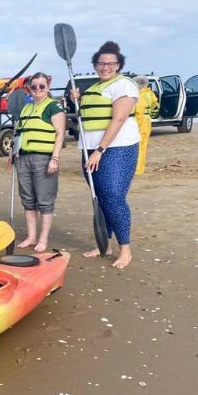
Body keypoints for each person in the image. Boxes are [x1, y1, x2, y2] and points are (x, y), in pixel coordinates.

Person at [70, 41, 139, 269]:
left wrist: (100, 150)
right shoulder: (94, 88)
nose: (106, 67)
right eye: (101, 63)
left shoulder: (124, 85)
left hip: (117, 148)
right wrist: (75, 100)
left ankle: (125, 249)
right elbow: (85, 117)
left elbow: (118, 119)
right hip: (90, 149)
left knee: (113, 195)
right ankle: (104, 245)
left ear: (119, 65)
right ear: (95, 65)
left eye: (111, 63)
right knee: (100, 197)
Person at [12, 72, 66, 252]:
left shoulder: (53, 106)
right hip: (23, 158)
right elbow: (19, 133)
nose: (37, 89)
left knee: (45, 201)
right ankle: (31, 237)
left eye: (41, 86)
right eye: (34, 86)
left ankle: (43, 240)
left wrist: (55, 159)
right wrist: (13, 152)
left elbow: (60, 134)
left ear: (48, 87)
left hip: (44, 158)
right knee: (28, 200)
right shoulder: (26, 108)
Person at [133, 75, 159, 176]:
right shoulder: (150, 94)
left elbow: (138, 112)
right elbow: (155, 108)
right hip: (147, 122)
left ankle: (137, 170)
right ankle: (140, 169)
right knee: (143, 147)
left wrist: (135, 124)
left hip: (140, 122)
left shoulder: (140, 96)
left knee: (138, 147)